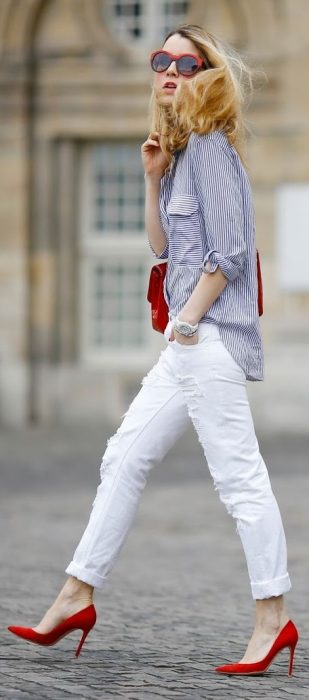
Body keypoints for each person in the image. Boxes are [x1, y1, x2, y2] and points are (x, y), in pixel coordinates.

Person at [8, 24, 298, 675]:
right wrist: (149, 180)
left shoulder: (211, 149)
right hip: (186, 346)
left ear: (206, 73)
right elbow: (164, 252)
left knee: (239, 480)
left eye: (183, 61)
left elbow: (225, 256)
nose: (168, 69)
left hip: (210, 339)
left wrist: (189, 320)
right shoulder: (177, 153)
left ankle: (272, 619)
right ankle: (76, 593)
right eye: (158, 59)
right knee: (123, 458)